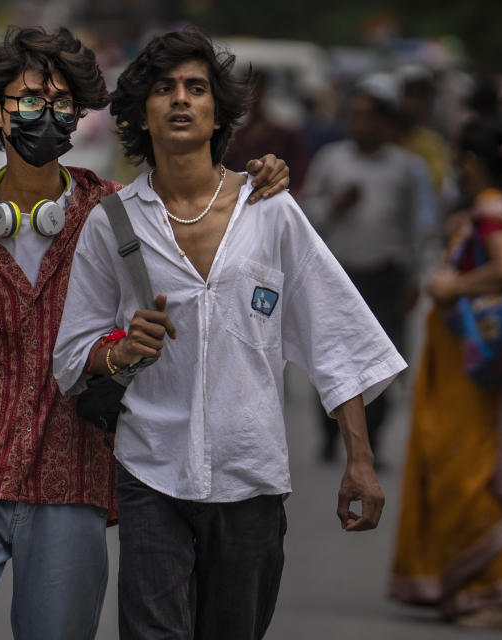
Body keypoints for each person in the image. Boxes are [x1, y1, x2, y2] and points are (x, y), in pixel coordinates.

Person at [0, 25, 290, 640]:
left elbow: (192, 203)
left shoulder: (114, 213)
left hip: (71, 472)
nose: (46, 115)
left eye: (61, 104)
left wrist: (256, 176)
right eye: (28, 102)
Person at [52, 29, 405, 639]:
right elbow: (69, 359)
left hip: (252, 475)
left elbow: (334, 335)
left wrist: (361, 460)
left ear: (219, 110)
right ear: (142, 111)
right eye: (164, 89)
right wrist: (120, 349)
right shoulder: (111, 224)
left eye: (196, 88)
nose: (181, 100)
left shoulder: (270, 210)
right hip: (150, 471)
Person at [388, 117, 502, 627]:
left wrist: (453, 287)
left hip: (470, 365)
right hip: (466, 360)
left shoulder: (489, 207)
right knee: (465, 460)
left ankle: (494, 590)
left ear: (472, 163)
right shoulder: (498, 206)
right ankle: (476, 582)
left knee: (466, 465)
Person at [301, 77, 426, 464]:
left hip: (384, 277)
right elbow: (303, 215)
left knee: (380, 362)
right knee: (331, 359)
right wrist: (334, 207)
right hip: (338, 276)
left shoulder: (405, 168)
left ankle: (373, 442)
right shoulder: (332, 160)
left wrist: (413, 277)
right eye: (353, 116)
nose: (358, 125)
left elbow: (415, 227)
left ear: (384, 123)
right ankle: (328, 434)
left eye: (367, 118)